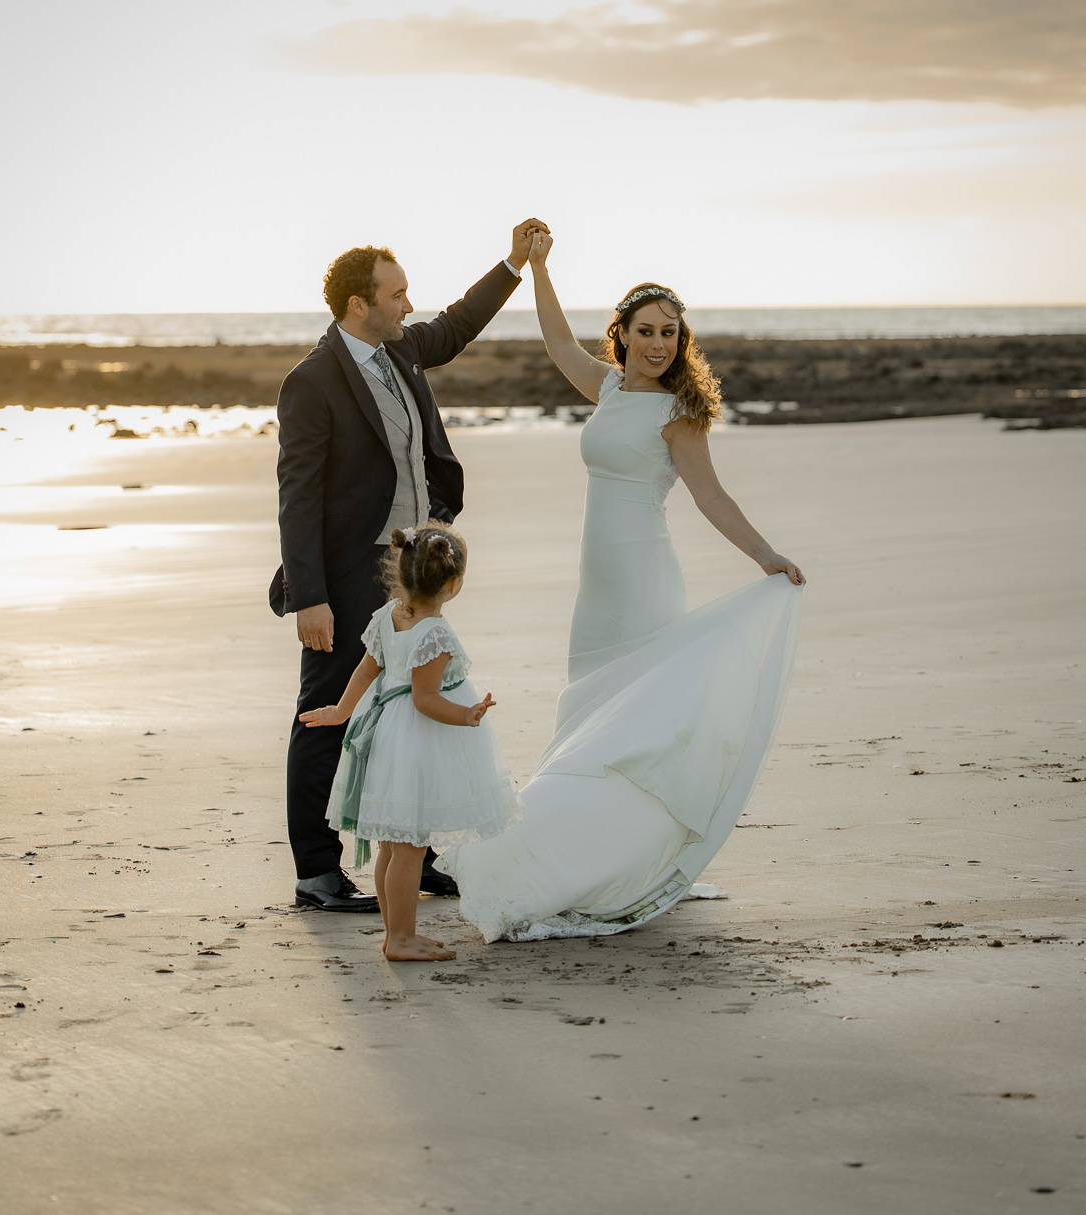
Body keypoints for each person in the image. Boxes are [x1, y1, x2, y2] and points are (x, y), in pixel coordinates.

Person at [436, 229, 806, 940]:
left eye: (671, 333)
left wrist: (765, 555)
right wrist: (540, 268)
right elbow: (553, 341)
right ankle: (591, 851)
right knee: (587, 717)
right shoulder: (607, 386)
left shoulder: (677, 412)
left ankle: (625, 861)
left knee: (633, 732)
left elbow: (712, 498)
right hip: (596, 589)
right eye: (647, 331)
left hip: (644, 582)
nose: (660, 343)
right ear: (624, 335)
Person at [270, 220, 547, 911]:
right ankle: (316, 872)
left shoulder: (403, 352)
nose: (407, 305)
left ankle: (410, 856)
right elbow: (297, 494)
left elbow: (458, 324)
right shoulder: (312, 381)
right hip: (342, 575)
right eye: (396, 294)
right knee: (328, 712)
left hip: (408, 570)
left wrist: (513, 261)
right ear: (359, 304)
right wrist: (310, 595)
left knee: (411, 713)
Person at [299, 524, 520, 961]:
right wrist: (466, 715)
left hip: (387, 734)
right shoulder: (435, 634)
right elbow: (425, 700)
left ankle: (394, 933)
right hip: (418, 741)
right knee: (409, 849)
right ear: (453, 585)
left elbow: (367, 669)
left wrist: (342, 711)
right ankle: (401, 938)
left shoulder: (388, 615)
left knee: (395, 846)